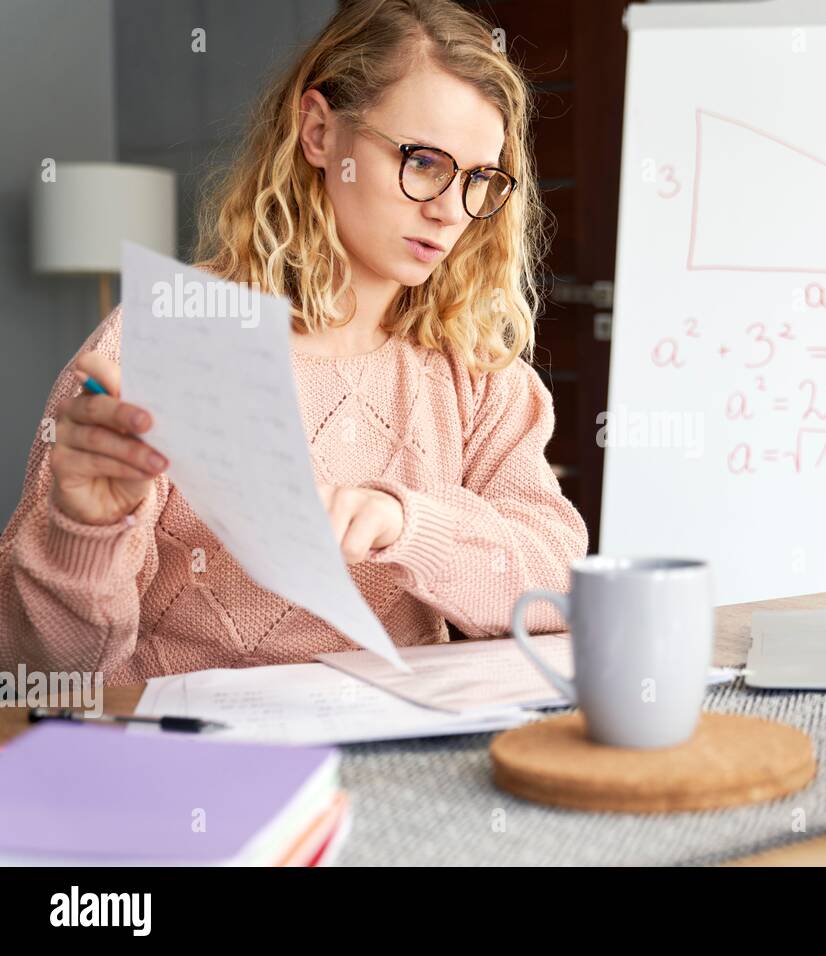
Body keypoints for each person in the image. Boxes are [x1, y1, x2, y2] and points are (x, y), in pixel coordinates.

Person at [0, 0, 588, 684]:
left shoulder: (475, 367)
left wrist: (410, 525)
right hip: (192, 761)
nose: (451, 209)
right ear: (317, 132)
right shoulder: (166, 339)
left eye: (479, 179)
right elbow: (35, 672)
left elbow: (561, 587)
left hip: (403, 755)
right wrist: (80, 535)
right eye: (424, 161)